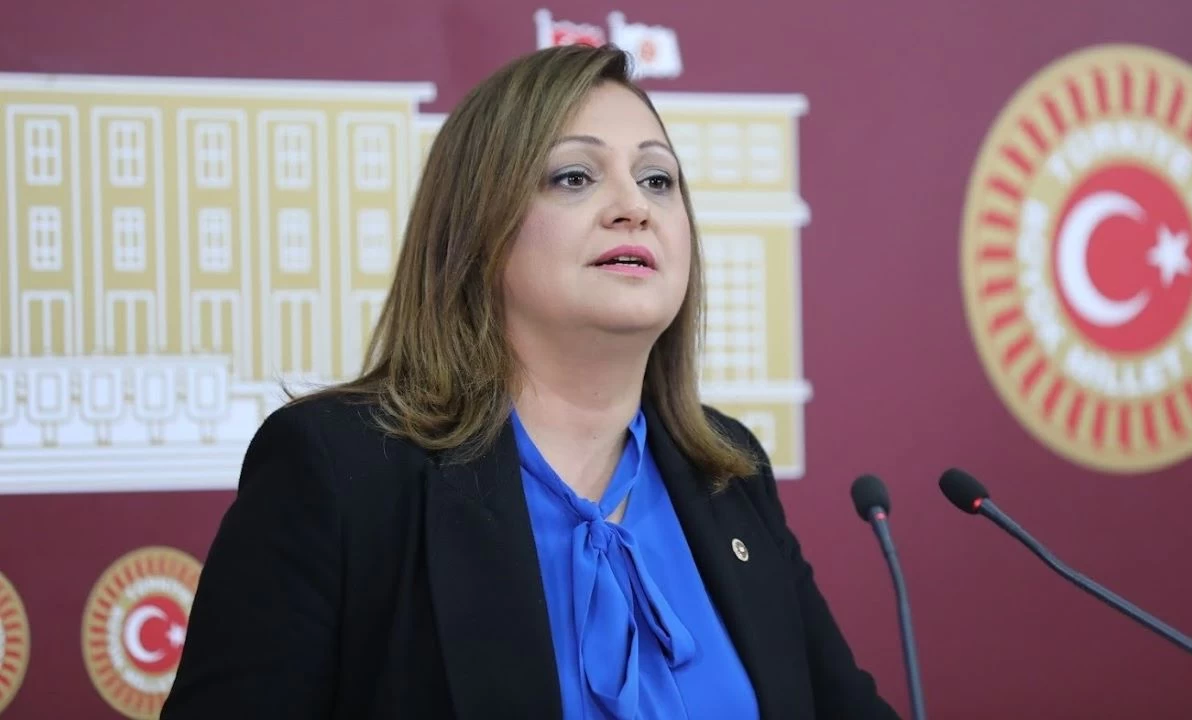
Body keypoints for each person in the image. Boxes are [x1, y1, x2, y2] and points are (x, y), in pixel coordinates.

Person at [160, 43, 899, 720]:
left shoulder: (729, 472)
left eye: (658, 180)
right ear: (477, 228)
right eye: (574, 177)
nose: (634, 207)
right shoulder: (340, 469)